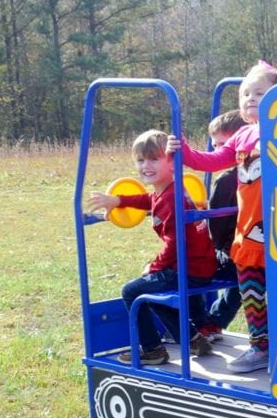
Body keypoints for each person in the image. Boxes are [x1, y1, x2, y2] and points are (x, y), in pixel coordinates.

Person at [168, 61, 277, 373]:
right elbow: (210, 161)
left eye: (259, 92)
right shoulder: (241, 136)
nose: (250, 98)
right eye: (244, 94)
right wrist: (182, 150)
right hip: (250, 231)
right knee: (252, 293)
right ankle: (260, 347)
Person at [87, 130, 217, 365]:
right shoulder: (169, 190)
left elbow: (175, 243)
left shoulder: (171, 198)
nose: (146, 165)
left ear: (173, 162)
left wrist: (153, 268)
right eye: (140, 160)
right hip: (197, 265)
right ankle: (193, 339)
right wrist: (119, 200)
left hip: (188, 269)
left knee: (131, 291)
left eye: (154, 159)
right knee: (153, 293)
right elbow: (148, 200)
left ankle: (152, 350)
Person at [197, 109, 247, 342]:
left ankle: (205, 323)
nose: (217, 152)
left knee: (186, 266)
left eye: (221, 146)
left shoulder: (227, 179)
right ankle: (215, 321)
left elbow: (216, 227)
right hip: (248, 249)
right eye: (215, 146)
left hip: (231, 251)